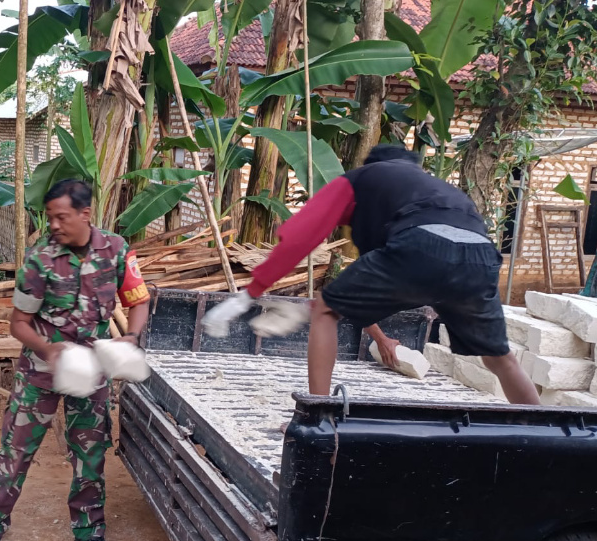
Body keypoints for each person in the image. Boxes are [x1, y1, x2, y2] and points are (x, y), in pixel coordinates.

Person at [203, 144, 540, 405]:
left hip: (421, 245)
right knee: (500, 358)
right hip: (480, 256)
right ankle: (547, 430)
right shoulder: (432, 189)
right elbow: (373, 291)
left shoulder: (360, 179)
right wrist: (380, 337)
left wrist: (252, 291)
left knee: (324, 308)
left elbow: (302, 237)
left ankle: (318, 413)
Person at [0, 179, 152, 541]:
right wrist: (46, 348)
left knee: (90, 453)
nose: (54, 224)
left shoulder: (116, 251)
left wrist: (131, 336)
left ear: (85, 214)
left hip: (91, 372)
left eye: (61, 217)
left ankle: (90, 532)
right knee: (17, 448)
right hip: (40, 370)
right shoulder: (40, 259)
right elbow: (18, 323)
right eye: (50, 217)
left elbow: (139, 300)